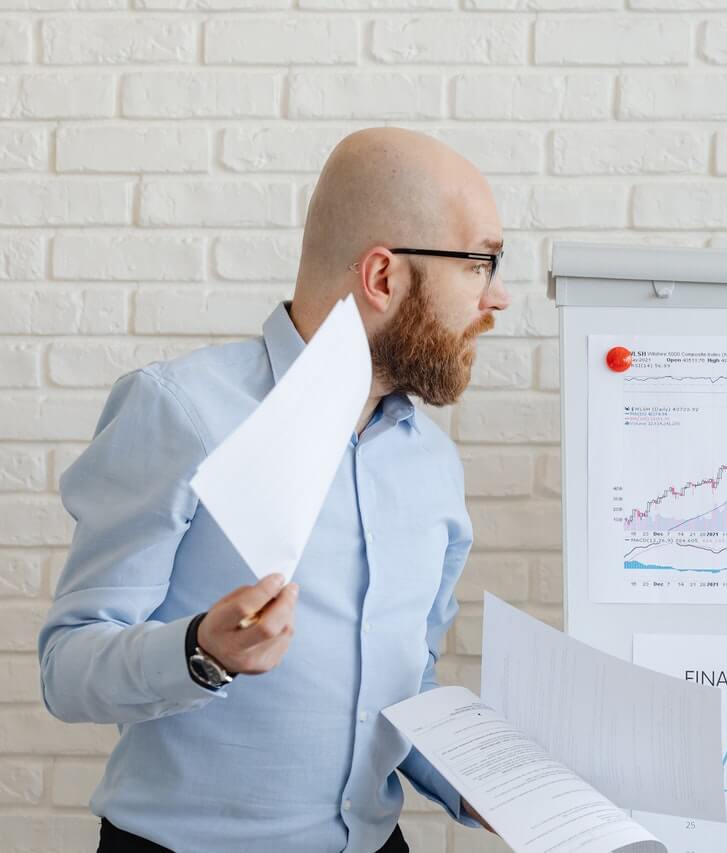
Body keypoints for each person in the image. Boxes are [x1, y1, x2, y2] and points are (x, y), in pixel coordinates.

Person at [36, 127, 510, 853]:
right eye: (482, 262)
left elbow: (399, 681)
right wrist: (202, 651)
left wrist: (469, 782)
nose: (498, 297)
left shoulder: (434, 467)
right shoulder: (181, 410)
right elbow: (66, 668)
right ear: (383, 277)